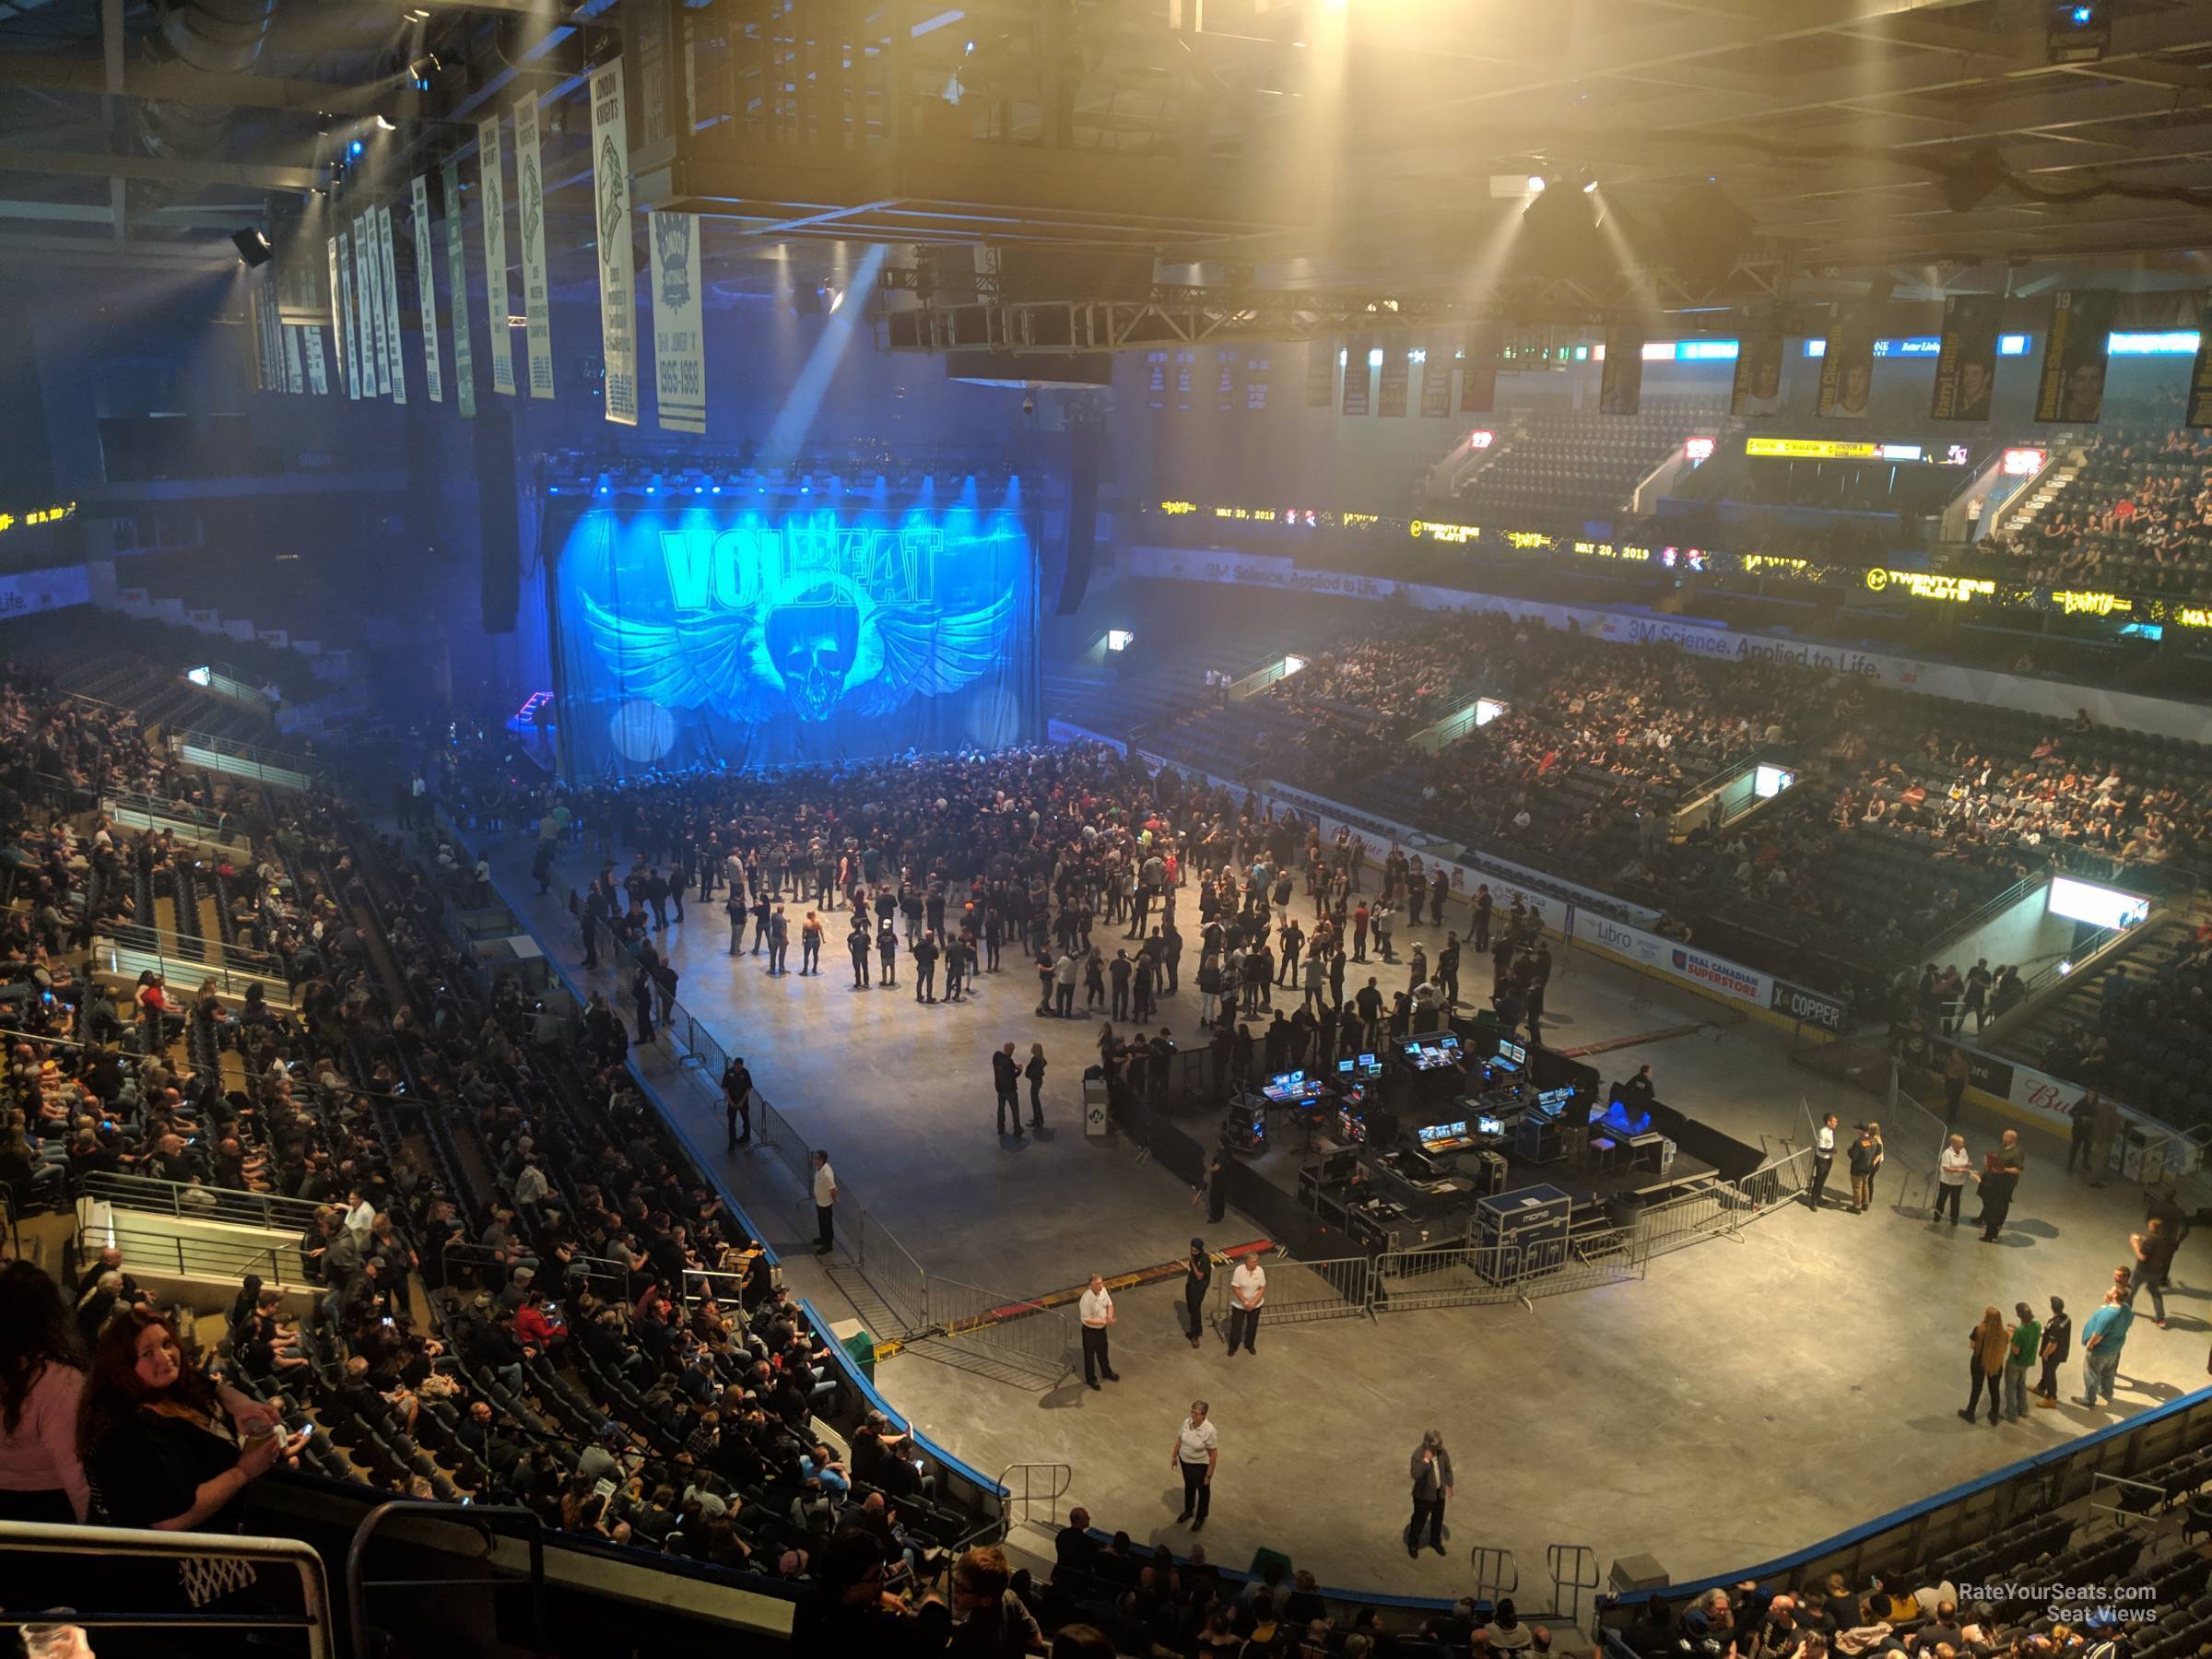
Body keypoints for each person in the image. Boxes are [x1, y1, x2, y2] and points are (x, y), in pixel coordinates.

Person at [79, 1307, 304, 1606]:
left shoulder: (165, 1390)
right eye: (147, 1354)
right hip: (186, 1578)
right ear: (124, 1366)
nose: (164, 1357)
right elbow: (169, 1521)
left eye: (166, 1343)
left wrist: (237, 1400)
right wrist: (243, 1472)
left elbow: (202, 1382)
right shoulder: (135, 1428)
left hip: (222, 1541)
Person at [2078, 1287, 2134, 1408]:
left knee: (2092, 1373)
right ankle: (2107, 1393)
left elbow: (2098, 1334)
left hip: (2100, 1350)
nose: (2107, 1291)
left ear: (2114, 1296)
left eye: (2111, 1290)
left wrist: (2090, 1344)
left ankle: (2089, 1400)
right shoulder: (2127, 1309)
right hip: (2114, 1348)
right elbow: (2128, 1324)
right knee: (2109, 1372)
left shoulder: (2108, 1315)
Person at [1170, 1400, 1217, 1530]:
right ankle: (1188, 1510)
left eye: (1196, 1414)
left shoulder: (1210, 1430)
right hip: (1185, 1462)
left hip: (1200, 1466)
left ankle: (1200, 1517)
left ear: (1204, 1415)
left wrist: (1209, 1475)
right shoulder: (1187, 1422)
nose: (1193, 1416)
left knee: (1203, 1492)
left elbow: (1213, 1455)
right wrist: (1174, 1456)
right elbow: (1179, 1439)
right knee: (1189, 1486)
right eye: (1192, 1412)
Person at [1406, 1429, 1453, 1559]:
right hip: (1423, 1496)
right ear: (1428, 1444)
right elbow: (1415, 1474)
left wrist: (1449, 1484)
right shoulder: (1418, 1454)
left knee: (1437, 1519)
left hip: (1439, 1494)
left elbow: (1448, 1469)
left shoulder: (1442, 1452)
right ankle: (1413, 1543)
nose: (1438, 1448)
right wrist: (1425, 1461)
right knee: (1419, 1520)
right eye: (1435, 1446)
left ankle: (1435, 1541)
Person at [1958, 1306, 2006, 1426]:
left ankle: (1970, 1413)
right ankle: (1994, 1415)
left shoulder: (1978, 1330)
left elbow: (1972, 1346)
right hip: (1995, 1364)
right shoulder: (2003, 1334)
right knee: (1994, 1389)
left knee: (1976, 1388)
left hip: (1979, 1363)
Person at [1974, 1132, 2023, 1243]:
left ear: (2012, 1139)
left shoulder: (2017, 1153)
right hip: (1994, 1181)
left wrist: (2003, 1170)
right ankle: (1985, 1220)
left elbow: (2018, 1169)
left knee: (1997, 1207)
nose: (2003, 1137)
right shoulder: (2003, 1148)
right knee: (1990, 1204)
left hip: (2004, 1184)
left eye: (2005, 1136)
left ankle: (1993, 1229)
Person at [2130, 1217, 2175, 1326]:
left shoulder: (2150, 1241)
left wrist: (2134, 1244)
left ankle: (2124, 1311)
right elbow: (2155, 1244)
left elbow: (2142, 1256)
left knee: (2132, 1289)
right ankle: (2161, 1319)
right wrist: (2142, 1238)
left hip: (2142, 1270)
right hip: (2156, 1272)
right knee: (2155, 1292)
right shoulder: (2165, 1240)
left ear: (2153, 1228)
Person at [1078, 1274, 1119, 1391]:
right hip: (1090, 1331)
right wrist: (1104, 1321)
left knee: (1103, 1351)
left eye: (1101, 1283)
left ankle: (1106, 1372)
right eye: (1098, 1284)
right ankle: (1091, 1379)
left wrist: (1109, 1316)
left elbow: (1109, 1305)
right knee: (1089, 1355)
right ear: (1090, 1286)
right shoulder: (1086, 1299)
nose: (1101, 1285)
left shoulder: (1103, 1291)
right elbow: (1086, 1318)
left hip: (1101, 1328)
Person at [2003, 1300, 2039, 1422]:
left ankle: (2011, 1415)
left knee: (2011, 1388)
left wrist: (2012, 1336)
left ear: (2019, 1315)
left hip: (2015, 1363)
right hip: (2027, 1362)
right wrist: (2017, 1329)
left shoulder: (2020, 1332)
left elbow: (2016, 1350)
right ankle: (2023, 1410)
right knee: (2021, 1384)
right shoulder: (2037, 1325)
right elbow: (2028, 1333)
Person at [2034, 1295, 2071, 1407]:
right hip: (2061, 1352)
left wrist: (2046, 1353)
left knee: (2049, 1373)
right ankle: (2041, 1387)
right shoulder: (2066, 1318)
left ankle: (2051, 1397)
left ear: (2052, 1307)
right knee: (2047, 1371)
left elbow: (2053, 1343)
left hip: (2053, 1354)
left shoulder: (2055, 1325)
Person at [1227, 1254, 1265, 1355]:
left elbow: (1261, 1288)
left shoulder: (1260, 1270)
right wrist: (1245, 1302)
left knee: (1252, 1325)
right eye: (1254, 1261)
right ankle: (1233, 1346)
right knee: (1236, 1326)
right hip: (1239, 1305)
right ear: (1247, 1261)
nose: (1257, 1263)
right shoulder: (1239, 1270)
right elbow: (1236, 1288)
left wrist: (1254, 1302)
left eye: (1257, 1261)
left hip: (1255, 1305)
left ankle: (1250, 1345)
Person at [1934, 1134, 1971, 1227]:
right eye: (1961, 1143)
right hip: (1947, 1181)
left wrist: (1968, 1165)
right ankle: (1937, 1215)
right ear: (1954, 1144)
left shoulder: (1963, 1151)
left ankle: (1954, 1218)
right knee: (1942, 1198)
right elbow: (1946, 1168)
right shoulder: (1947, 1153)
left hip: (1958, 1182)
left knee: (1955, 1200)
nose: (1963, 1145)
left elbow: (1965, 1161)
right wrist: (1960, 1169)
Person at [1182, 1240, 1212, 1349]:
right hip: (1191, 1285)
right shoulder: (1194, 1255)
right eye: (1192, 1249)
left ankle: (1195, 1335)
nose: (1193, 1252)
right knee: (1191, 1308)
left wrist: (1193, 1263)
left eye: (1195, 1250)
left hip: (1198, 1288)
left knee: (1195, 1310)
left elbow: (1200, 1276)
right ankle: (1198, 1330)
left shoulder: (1205, 1260)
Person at [1847, 1124, 1883, 1215]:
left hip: (1858, 1169)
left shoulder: (1858, 1142)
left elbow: (1853, 1156)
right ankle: (1866, 1203)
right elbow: (1879, 1152)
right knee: (1865, 1185)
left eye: (1858, 1130)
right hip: (1868, 1168)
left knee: (1857, 1187)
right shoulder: (1874, 1141)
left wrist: (1849, 1150)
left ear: (1862, 1131)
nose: (1857, 1132)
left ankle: (1857, 1206)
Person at [992, 1042, 1024, 1139]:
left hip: (1000, 1089)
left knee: (1001, 1108)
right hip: (1010, 1090)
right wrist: (1019, 1070)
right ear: (1011, 1051)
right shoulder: (1009, 1062)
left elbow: (1007, 1062)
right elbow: (1013, 1076)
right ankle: (1017, 1129)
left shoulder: (996, 1056)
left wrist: (1014, 1065)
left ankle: (1001, 1127)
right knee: (1015, 1110)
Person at [1806, 1113, 1838, 1212]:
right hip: (1822, 1159)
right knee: (1819, 1179)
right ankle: (1813, 1201)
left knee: (1823, 1178)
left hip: (1829, 1158)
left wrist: (1831, 1151)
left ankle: (1819, 1197)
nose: (1836, 1123)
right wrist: (1832, 1149)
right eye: (1834, 1121)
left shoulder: (1831, 1131)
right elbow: (1821, 1148)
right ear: (1828, 1122)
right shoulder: (1823, 1132)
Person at [723, 1056, 754, 1150]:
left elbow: (748, 1088)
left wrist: (742, 1101)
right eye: (737, 1066)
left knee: (746, 1120)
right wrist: (730, 1101)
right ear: (734, 1064)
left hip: (742, 1102)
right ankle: (732, 1142)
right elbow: (725, 1087)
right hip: (732, 1101)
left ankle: (746, 1136)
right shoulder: (729, 1073)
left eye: (740, 1067)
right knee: (731, 1122)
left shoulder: (745, 1072)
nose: (739, 1068)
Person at [812, 1150, 838, 1255]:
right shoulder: (820, 1168)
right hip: (820, 1202)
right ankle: (823, 1238)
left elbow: (833, 1189)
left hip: (825, 1204)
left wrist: (834, 1199)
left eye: (816, 1158)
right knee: (821, 1222)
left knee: (827, 1224)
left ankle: (828, 1245)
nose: (814, 1160)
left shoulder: (827, 1174)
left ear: (821, 1160)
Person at [1024, 1044, 1048, 1130]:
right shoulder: (1040, 1059)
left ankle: (1037, 1121)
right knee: (1036, 1100)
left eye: (1032, 1048)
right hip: (1038, 1081)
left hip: (1035, 1081)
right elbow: (1045, 1063)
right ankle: (1039, 1119)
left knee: (1034, 1101)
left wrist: (1030, 1075)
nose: (1031, 1049)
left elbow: (1032, 1070)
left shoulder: (1035, 1060)